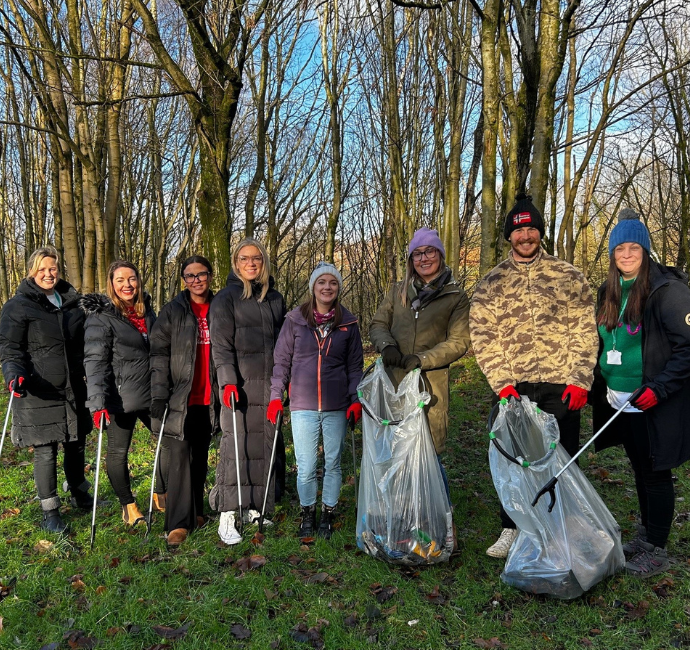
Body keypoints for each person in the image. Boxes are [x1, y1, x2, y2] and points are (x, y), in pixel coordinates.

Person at [470, 193, 598, 559]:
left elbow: (585, 331)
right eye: (518, 230)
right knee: (514, 458)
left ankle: (560, 526)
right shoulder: (491, 284)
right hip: (515, 386)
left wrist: (580, 379)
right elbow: (484, 336)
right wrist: (501, 383)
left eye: (531, 229)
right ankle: (512, 527)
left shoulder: (567, 276)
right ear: (509, 236)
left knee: (562, 458)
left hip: (562, 385)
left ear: (540, 233)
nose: (525, 236)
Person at [591, 209, 690, 577]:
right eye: (621, 248)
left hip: (652, 401)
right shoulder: (609, 291)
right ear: (613, 254)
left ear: (645, 251)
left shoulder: (668, 291)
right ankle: (647, 535)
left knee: (656, 473)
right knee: (639, 468)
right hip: (620, 400)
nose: (628, 254)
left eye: (635, 247)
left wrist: (659, 389)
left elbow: (687, 348)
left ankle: (658, 550)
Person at [370, 227, 470, 497]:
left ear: (440, 254)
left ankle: (440, 522)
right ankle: (400, 519)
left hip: (431, 386)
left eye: (429, 252)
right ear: (411, 259)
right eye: (417, 254)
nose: (424, 258)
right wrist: (386, 345)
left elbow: (459, 341)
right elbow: (379, 323)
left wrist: (423, 359)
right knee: (396, 451)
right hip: (395, 384)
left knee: (429, 455)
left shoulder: (455, 297)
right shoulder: (397, 292)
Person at [0, 246, 93, 533]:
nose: (48, 274)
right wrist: (14, 373)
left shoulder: (73, 302)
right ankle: (50, 511)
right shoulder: (18, 306)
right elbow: (10, 347)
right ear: (32, 271)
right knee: (45, 451)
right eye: (42, 269)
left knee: (76, 444)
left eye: (52, 268)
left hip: (74, 387)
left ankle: (79, 492)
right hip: (38, 389)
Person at [269, 262, 364, 539]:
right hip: (302, 405)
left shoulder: (348, 323)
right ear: (313, 287)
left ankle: (328, 513)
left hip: (336, 406)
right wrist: (276, 396)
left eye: (332, 283)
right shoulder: (295, 320)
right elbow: (281, 362)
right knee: (307, 465)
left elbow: (355, 366)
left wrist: (355, 399)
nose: (327, 287)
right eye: (321, 282)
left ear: (338, 288)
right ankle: (307, 513)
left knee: (333, 463)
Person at [209, 239, 286, 545]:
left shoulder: (274, 299)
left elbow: (284, 345)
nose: (251, 263)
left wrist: (283, 381)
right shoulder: (225, 299)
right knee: (235, 446)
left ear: (264, 261)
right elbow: (221, 346)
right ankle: (228, 512)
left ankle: (255, 504)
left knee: (262, 445)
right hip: (237, 385)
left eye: (256, 258)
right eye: (244, 259)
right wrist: (227, 381)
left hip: (267, 385)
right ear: (236, 262)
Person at [81, 260, 161, 527]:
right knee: (118, 452)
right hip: (120, 398)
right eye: (120, 280)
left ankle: (161, 492)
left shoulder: (147, 311)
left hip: (152, 393)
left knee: (169, 442)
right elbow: (94, 362)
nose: (127, 285)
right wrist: (98, 402)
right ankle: (128, 506)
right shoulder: (101, 317)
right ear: (111, 284)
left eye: (132, 279)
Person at [149, 255, 220, 547]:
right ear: (183, 280)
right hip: (181, 398)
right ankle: (177, 523)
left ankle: (196, 513)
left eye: (201, 274)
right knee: (178, 459)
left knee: (200, 457)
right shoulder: (173, 311)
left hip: (210, 397)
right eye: (189, 276)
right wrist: (159, 395)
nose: (196, 280)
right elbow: (158, 355)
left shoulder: (221, 307)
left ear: (210, 276)